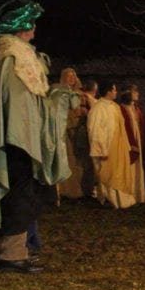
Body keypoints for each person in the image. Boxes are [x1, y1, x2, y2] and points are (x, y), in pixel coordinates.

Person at [0, 0, 71, 273]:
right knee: (20, 193)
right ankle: (12, 254)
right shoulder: (14, 57)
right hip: (18, 139)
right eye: (30, 26)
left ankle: (14, 249)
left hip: (15, 135)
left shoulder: (6, 54)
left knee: (21, 192)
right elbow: (23, 103)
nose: (33, 31)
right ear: (21, 28)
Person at [88, 80, 140, 209]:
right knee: (108, 174)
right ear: (109, 91)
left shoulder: (115, 107)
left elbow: (121, 128)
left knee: (119, 173)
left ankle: (123, 200)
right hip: (107, 147)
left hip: (119, 147)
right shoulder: (98, 108)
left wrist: (128, 146)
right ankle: (109, 200)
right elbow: (94, 130)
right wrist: (101, 149)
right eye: (114, 90)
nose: (116, 92)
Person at [55, 68, 90, 201]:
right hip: (66, 130)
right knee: (68, 160)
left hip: (80, 131)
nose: (72, 79)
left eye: (73, 76)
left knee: (79, 162)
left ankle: (79, 189)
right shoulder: (60, 93)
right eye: (68, 77)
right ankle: (65, 190)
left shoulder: (81, 94)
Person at [119, 85, 145, 202]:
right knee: (129, 167)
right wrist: (131, 142)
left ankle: (138, 194)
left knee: (137, 167)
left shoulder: (136, 108)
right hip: (128, 141)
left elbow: (140, 124)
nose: (137, 94)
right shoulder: (121, 109)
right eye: (135, 92)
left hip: (137, 138)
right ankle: (129, 193)